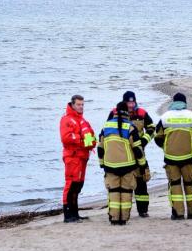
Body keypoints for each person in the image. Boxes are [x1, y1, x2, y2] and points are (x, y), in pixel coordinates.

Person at [154, 92, 192, 220]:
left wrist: (166, 147)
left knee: (174, 185)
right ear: (185, 103)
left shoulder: (165, 117)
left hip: (171, 157)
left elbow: (157, 137)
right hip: (188, 157)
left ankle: (177, 214)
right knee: (190, 184)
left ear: (173, 102)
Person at [107, 91, 155, 217]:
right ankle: (121, 211)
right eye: (128, 102)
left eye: (133, 102)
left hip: (139, 151)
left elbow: (151, 128)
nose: (131, 105)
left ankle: (143, 210)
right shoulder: (114, 113)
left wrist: (144, 140)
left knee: (141, 181)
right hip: (122, 154)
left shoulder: (142, 113)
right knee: (122, 183)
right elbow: (107, 131)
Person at [99, 101, 146, 225]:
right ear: (126, 112)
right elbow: (138, 150)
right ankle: (123, 219)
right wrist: (142, 165)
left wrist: (102, 163)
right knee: (126, 192)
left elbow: (100, 148)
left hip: (110, 166)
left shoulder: (106, 126)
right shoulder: (130, 127)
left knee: (113, 192)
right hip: (128, 166)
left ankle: (114, 218)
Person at [59, 94, 96, 223]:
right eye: (78, 105)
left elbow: (91, 138)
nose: (81, 107)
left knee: (78, 186)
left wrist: (89, 142)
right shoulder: (67, 119)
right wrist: (81, 140)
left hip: (82, 157)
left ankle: (75, 214)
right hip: (72, 156)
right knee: (71, 184)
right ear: (72, 104)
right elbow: (66, 138)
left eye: (82, 105)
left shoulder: (82, 120)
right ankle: (68, 215)